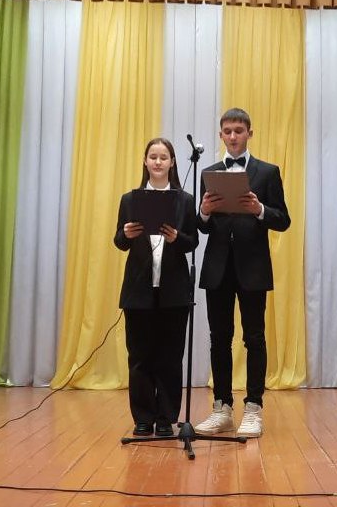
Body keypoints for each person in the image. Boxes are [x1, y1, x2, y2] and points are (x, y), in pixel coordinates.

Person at [194, 108, 290, 438]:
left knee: (254, 338)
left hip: (253, 267)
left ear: (250, 133)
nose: (233, 136)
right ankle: (221, 408)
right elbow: (202, 228)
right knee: (219, 339)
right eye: (227, 131)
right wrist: (204, 212)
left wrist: (259, 209)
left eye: (238, 130)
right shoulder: (209, 172)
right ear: (221, 135)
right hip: (217, 268)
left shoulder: (267, 172)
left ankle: (253, 408)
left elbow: (283, 219)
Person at [114, 138, 198, 437]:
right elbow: (119, 241)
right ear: (145, 161)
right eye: (153, 156)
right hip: (138, 290)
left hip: (174, 290)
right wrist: (125, 233)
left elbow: (192, 242)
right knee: (139, 357)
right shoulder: (129, 199)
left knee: (170, 358)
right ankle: (143, 417)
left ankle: (165, 418)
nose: (158, 162)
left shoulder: (185, 200)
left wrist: (177, 238)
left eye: (164, 157)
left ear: (172, 162)